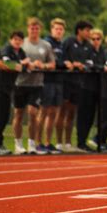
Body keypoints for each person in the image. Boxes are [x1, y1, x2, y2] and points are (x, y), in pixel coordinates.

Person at [13, 17, 55, 155]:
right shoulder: (21, 43)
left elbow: (52, 64)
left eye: (37, 28)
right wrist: (25, 64)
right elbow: (13, 61)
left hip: (36, 84)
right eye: (32, 28)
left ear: (40, 30)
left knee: (33, 113)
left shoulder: (45, 45)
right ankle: (18, 143)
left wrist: (42, 65)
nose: (34, 30)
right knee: (18, 113)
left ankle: (32, 144)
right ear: (28, 28)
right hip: (20, 83)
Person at [56, 20, 93, 152]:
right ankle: (59, 142)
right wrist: (69, 63)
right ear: (79, 30)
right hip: (66, 80)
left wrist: (83, 66)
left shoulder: (88, 45)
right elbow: (60, 58)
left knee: (72, 113)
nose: (89, 33)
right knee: (62, 111)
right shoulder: (69, 41)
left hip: (79, 82)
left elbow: (90, 62)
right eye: (87, 30)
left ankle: (68, 142)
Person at [0, 28, 28, 155]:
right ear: (10, 40)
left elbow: (25, 67)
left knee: (4, 117)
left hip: (8, 88)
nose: (17, 42)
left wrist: (21, 65)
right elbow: (7, 64)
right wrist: (21, 65)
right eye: (15, 39)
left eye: (20, 40)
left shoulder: (19, 52)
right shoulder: (6, 49)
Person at [37, 18, 67, 154]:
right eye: (56, 29)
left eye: (61, 29)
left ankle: (48, 142)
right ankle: (38, 142)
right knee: (43, 111)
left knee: (53, 112)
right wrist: (63, 64)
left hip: (58, 81)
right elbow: (51, 62)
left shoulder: (62, 44)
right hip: (47, 80)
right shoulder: (46, 43)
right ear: (51, 30)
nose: (59, 31)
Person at [76, 28, 106, 152]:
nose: (95, 41)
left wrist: (103, 67)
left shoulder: (102, 51)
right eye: (93, 39)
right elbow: (89, 65)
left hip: (97, 86)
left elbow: (104, 63)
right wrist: (103, 67)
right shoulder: (87, 50)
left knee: (92, 116)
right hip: (86, 86)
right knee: (84, 115)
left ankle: (88, 141)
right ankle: (81, 141)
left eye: (98, 39)